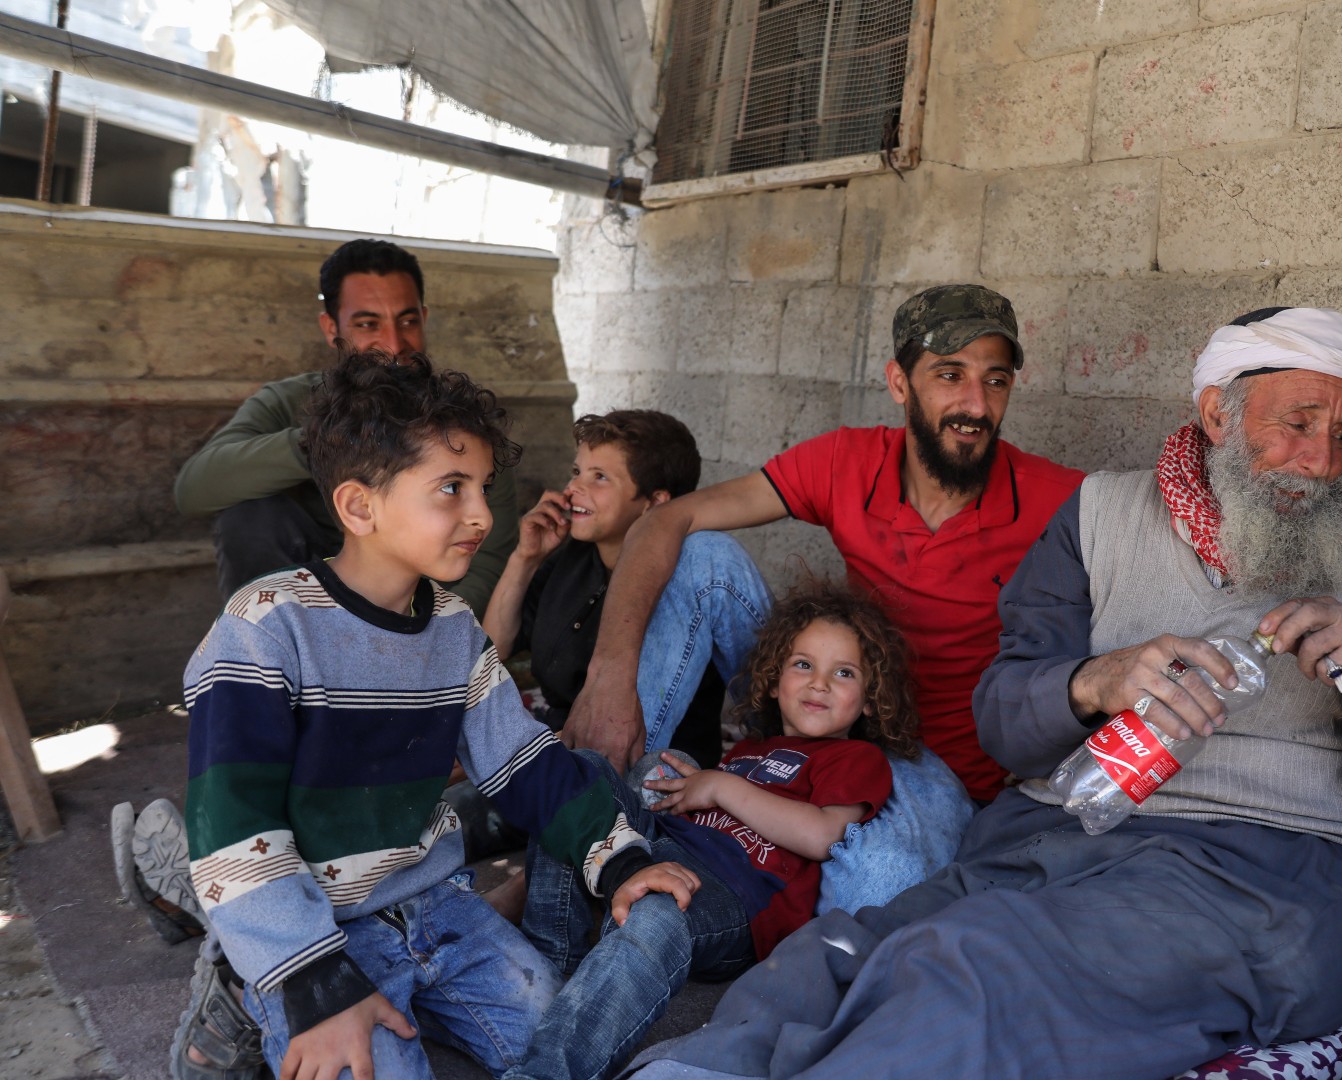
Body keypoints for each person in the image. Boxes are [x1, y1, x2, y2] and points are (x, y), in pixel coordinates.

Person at [628, 307, 1342, 1079]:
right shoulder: (1096, 519)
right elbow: (1003, 721)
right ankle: (701, 1068)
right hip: (1058, 831)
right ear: (1219, 414)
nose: (1322, 461)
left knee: (982, 965)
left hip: (1260, 878)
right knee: (845, 948)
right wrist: (1094, 680)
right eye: (1298, 425)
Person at [175, 352, 655, 1080]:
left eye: (483, 488)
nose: (484, 515)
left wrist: (617, 858)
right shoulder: (265, 629)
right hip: (313, 925)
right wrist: (312, 984)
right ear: (359, 507)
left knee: (556, 1038)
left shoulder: (454, 631)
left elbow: (522, 760)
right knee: (365, 1064)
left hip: (434, 907)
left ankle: (397, 989)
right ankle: (250, 987)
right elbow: (233, 828)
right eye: (451, 489)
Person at [562, 284, 1084, 801]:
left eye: (995, 381)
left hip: (937, 777)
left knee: (874, 867)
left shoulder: (1059, 502)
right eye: (950, 375)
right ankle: (596, 818)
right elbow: (662, 521)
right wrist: (609, 681)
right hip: (824, 716)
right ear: (899, 383)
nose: (976, 404)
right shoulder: (846, 462)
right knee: (704, 557)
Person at [507, 582, 919, 1080]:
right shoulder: (749, 752)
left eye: (845, 673)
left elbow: (821, 835)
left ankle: (548, 1071)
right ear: (771, 680)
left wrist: (721, 787)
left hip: (738, 898)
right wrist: (678, 787)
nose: (820, 683)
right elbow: (696, 811)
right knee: (580, 778)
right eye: (803, 664)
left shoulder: (856, 759)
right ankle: (554, 963)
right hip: (667, 848)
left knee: (657, 910)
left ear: (871, 700)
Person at [174, 238, 520, 615]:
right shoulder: (289, 401)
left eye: (407, 321)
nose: (392, 344)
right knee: (249, 515)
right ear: (330, 327)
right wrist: (331, 441)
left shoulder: (459, 420)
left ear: (424, 318)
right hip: (299, 604)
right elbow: (193, 489)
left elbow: (489, 558)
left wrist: (421, 640)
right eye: (368, 323)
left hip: (414, 612)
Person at [482, 409, 768, 767]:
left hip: (653, 764)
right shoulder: (570, 557)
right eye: (576, 472)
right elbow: (494, 646)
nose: (573, 490)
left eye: (599, 477)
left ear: (655, 503)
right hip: (560, 743)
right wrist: (525, 558)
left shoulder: (687, 582)